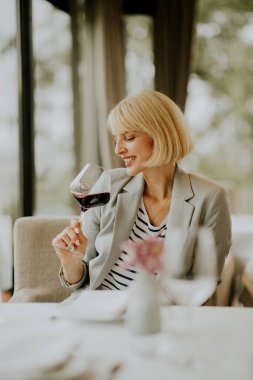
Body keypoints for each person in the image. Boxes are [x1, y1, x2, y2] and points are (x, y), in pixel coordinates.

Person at [52, 90, 232, 293]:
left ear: (160, 134)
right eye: (115, 140)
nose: (118, 150)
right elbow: (82, 280)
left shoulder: (211, 198)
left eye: (128, 138)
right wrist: (71, 262)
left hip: (161, 318)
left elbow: (207, 280)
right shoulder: (108, 184)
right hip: (100, 311)